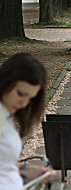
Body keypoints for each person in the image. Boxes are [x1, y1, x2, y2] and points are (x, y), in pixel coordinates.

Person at [0, 53, 56, 189]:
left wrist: (27, 170)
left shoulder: (5, 114)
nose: (24, 103)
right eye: (20, 94)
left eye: (30, 98)